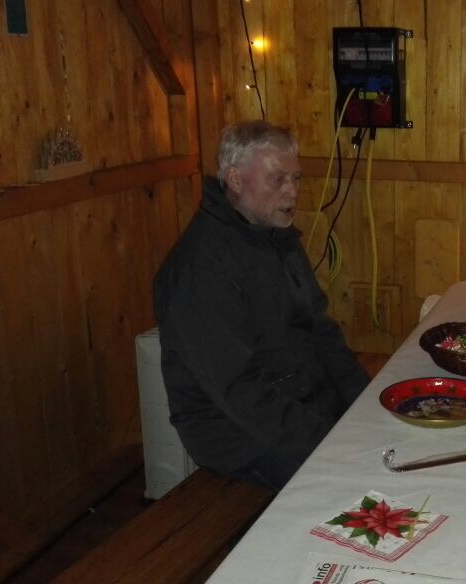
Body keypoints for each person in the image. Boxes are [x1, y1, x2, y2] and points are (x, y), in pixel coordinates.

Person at [153, 120, 370, 491]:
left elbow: (320, 331)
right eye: (277, 179)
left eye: (296, 178)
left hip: (297, 400)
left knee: (391, 439)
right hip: (233, 431)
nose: (292, 191)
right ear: (235, 179)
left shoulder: (276, 237)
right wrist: (327, 441)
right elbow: (238, 389)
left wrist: (365, 402)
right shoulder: (200, 267)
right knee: (353, 484)